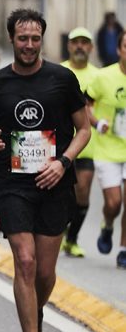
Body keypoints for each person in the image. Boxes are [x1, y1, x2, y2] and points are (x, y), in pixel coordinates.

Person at [0, 8, 90, 332]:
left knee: (45, 272)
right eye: (22, 38)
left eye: (35, 38)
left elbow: (84, 130)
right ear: (12, 39)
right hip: (13, 183)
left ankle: (33, 310)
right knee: (24, 261)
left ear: (43, 39)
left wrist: (64, 163)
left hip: (54, 183)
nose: (29, 45)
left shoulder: (63, 79)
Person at [85, 30, 126, 269]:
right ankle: (108, 225)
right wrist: (97, 122)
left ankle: (123, 248)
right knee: (114, 203)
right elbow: (86, 104)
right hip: (107, 149)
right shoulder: (103, 77)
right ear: (119, 50)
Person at [60, 27, 99, 257]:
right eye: (76, 42)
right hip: (61, 144)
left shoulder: (98, 76)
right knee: (61, 193)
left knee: (82, 191)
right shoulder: (58, 72)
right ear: (69, 46)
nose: (80, 47)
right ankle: (56, 232)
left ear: (91, 48)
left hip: (88, 144)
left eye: (85, 43)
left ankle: (72, 239)